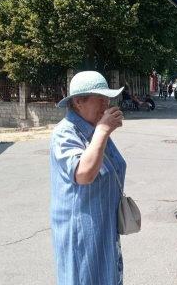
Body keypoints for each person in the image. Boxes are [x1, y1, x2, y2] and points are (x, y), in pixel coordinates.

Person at [50, 71, 127, 285]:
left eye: (107, 98)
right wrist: (103, 130)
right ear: (78, 101)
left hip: (104, 228)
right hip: (83, 233)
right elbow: (83, 174)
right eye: (99, 99)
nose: (106, 104)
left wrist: (102, 131)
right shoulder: (65, 133)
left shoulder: (93, 130)